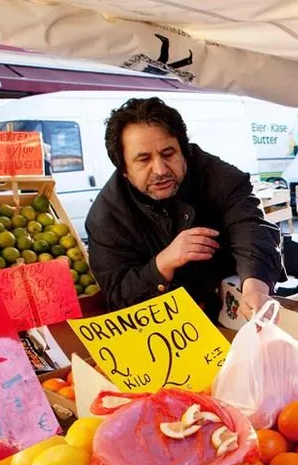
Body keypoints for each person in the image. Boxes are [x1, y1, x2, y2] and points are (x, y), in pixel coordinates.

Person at [85, 97, 284, 318]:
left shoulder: (220, 178)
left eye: (168, 154)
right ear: (123, 169)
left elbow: (250, 226)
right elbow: (118, 295)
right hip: (160, 331)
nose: (160, 170)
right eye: (143, 160)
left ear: (184, 151)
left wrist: (255, 286)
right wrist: (163, 263)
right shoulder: (106, 216)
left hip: (230, 315)